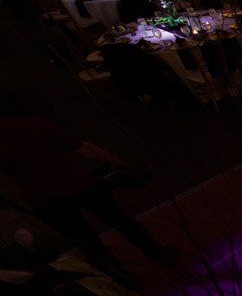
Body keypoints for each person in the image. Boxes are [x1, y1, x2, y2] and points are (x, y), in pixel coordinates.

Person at [0, 114, 173, 282]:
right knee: (121, 222)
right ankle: (159, 254)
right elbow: (84, 149)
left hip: (45, 200)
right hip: (79, 184)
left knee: (87, 242)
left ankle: (121, 278)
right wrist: (120, 163)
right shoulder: (33, 123)